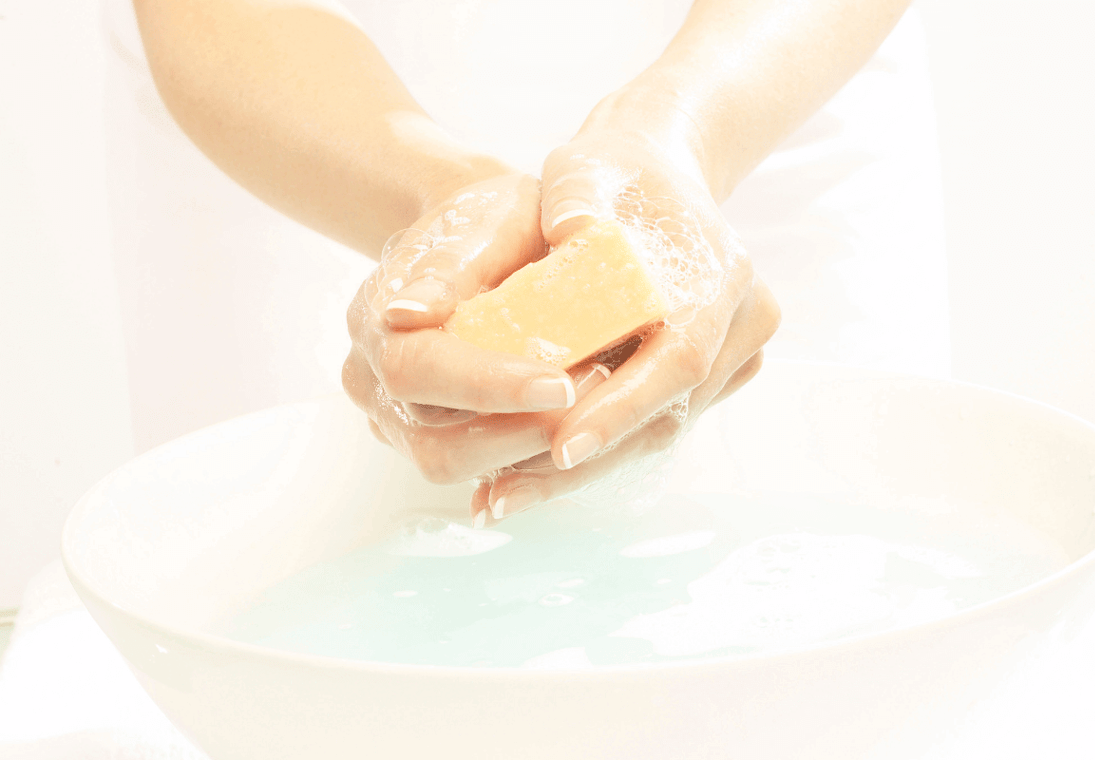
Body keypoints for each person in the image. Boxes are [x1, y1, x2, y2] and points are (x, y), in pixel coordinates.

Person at [110, 0, 949, 525]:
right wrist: (429, 194)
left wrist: (681, 128)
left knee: (818, 564)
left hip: (763, 67)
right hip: (305, 116)